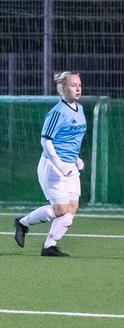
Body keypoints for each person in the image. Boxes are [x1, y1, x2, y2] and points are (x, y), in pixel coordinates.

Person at [12, 71, 87, 257]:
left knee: (72, 208)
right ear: (62, 88)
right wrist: (60, 165)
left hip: (70, 166)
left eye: (79, 84)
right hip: (52, 166)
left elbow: (71, 139)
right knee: (60, 209)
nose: (77, 88)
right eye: (72, 85)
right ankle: (22, 223)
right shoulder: (57, 112)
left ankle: (49, 247)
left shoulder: (80, 109)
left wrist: (76, 158)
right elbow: (46, 141)